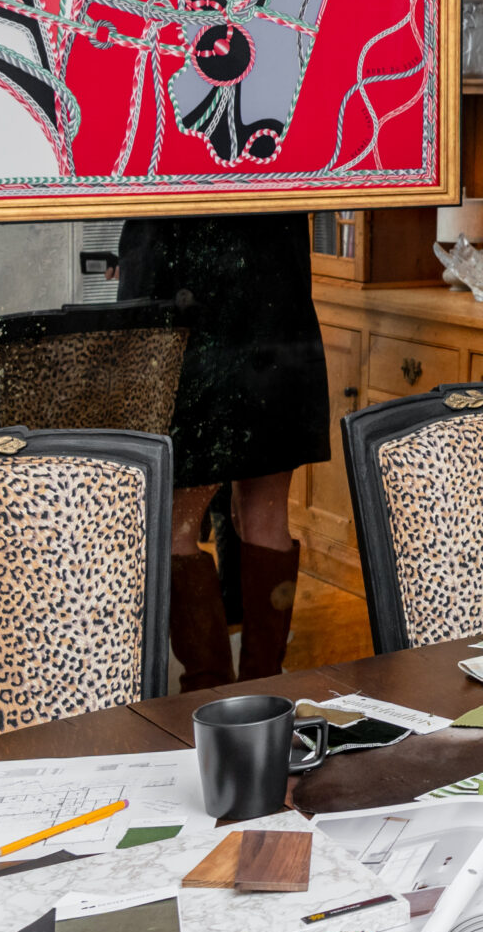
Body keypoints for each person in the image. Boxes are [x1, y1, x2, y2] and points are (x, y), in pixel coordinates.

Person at [116, 212, 332, 689]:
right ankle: (257, 687)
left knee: (182, 520)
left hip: (201, 287)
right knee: (254, 512)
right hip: (257, 282)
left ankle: (215, 689)